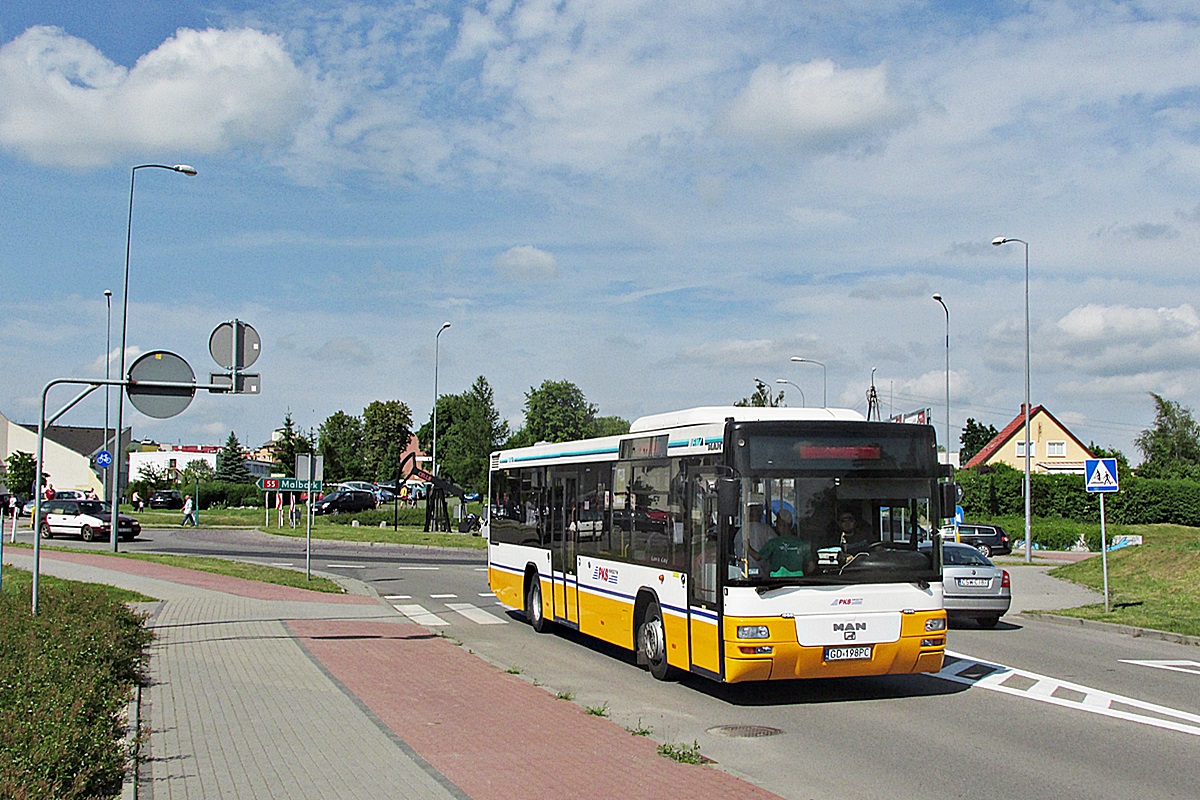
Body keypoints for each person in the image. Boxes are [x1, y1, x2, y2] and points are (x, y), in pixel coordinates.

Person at [748, 508, 815, 577]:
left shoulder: (773, 543)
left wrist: (747, 547)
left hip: (776, 583)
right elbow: (811, 567)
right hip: (798, 583)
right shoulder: (802, 544)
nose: (776, 526)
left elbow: (758, 557)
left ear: (784, 525)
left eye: (777, 523)